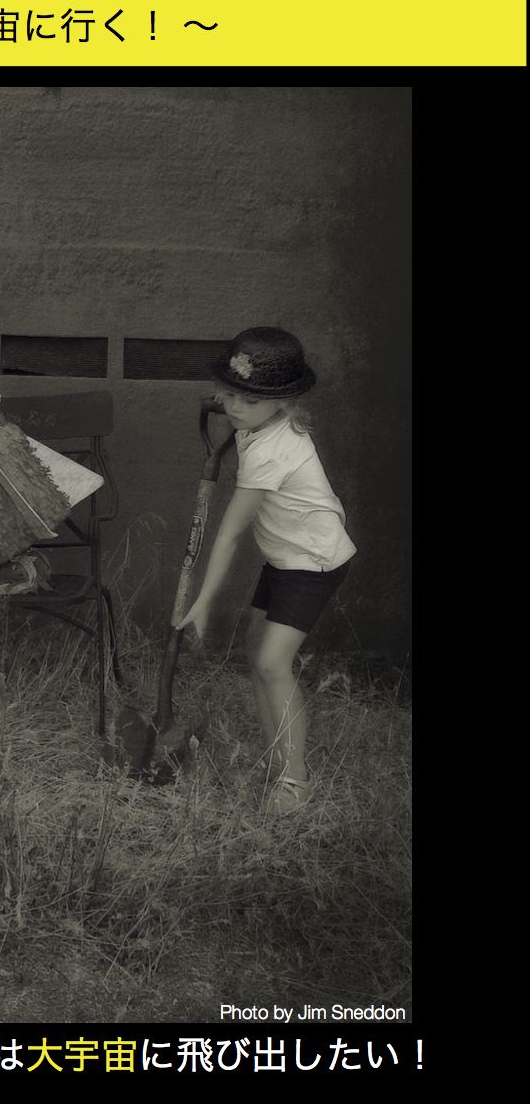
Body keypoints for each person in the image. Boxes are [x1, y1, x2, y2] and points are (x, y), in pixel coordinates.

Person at [176, 327, 356, 814]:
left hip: (312, 562)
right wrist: (233, 403)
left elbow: (231, 534)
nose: (235, 407)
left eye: (249, 400)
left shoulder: (274, 451)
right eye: (229, 394)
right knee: (255, 654)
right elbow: (238, 406)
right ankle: (277, 760)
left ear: (285, 401)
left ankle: (295, 782)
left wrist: (203, 604)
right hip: (285, 556)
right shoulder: (260, 423)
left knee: (274, 664)